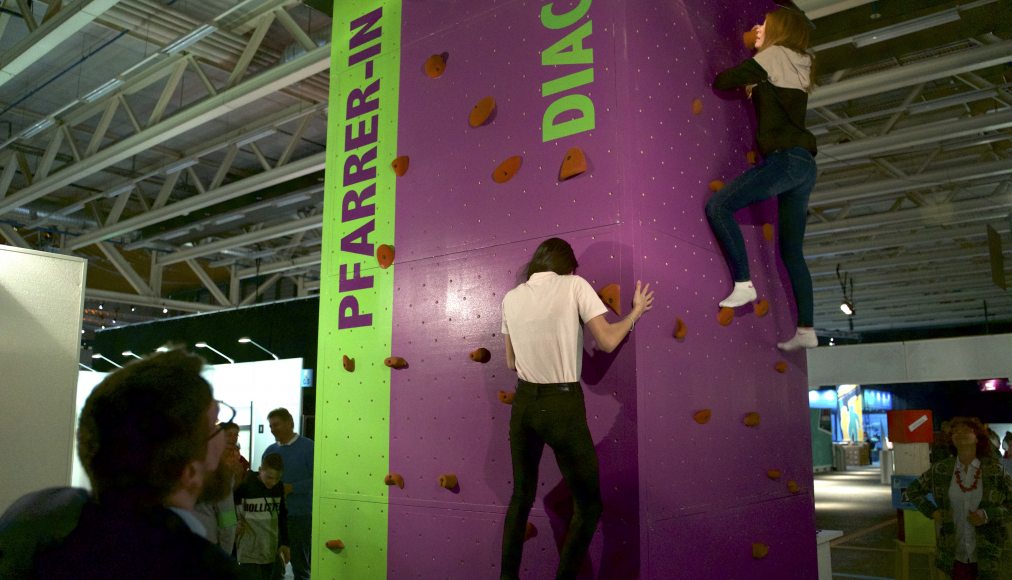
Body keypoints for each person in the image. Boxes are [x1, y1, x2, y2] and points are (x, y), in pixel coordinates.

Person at [499, 237, 654, 580]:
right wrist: (636, 312)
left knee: (521, 497)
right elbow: (609, 339)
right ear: (569, 267)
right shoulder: (574, 285)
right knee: (589, 505)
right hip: (562, 405)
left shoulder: (511, 297)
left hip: (523, 406)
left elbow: (510, 362)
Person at [32, 349, 240, 578]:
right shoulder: (204, 570)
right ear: (189, 473)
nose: (223, 435)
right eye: (213, 426)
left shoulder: (41, 540)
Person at [705, 5, 819, 352]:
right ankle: (806, 328)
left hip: (785, 160)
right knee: (791, 251)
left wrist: (755, 54)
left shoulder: (776, 56)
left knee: (719, 205)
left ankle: (744, 282)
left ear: (779, 31)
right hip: (803, 165)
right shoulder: (798, 61)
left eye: (764, 25)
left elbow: (723, 80)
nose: (757, 29)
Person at [906, 417, 1012, 580]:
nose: (960, 433)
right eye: (956, 431)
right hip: (952, 553)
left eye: (967, 430)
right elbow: (912, 491)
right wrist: (932, 511)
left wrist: (987, 514)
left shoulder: (994, 470)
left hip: (989, 554)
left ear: (977, 437)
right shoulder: (941, 470)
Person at [262, 407, 313, 580]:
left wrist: (293, 488)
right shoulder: (269, 451)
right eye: (270, 426)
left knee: (300, 564)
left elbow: (318, 481)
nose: (272, 429)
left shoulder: (309, 447)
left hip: (300, 515)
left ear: (289, 422)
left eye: (276, 424)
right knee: (273, 563)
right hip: (273, 516)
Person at [234, 453, 289, 580]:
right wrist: (233, 524)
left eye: (277, 478)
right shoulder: (246, 484)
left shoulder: (278, 487)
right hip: (249, 552)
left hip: (271, 550)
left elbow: (282, 516)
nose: (273, 482)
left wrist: (285, 542)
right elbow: (228, 504)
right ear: (260, 470)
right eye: (269, 477)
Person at [194, 433, 242, 554]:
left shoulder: (194, 470)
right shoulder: (221, 477)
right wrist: (225, 555)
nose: (236, 456)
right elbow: (227, 522)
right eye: (230, 451)